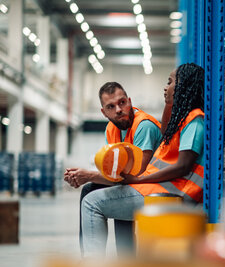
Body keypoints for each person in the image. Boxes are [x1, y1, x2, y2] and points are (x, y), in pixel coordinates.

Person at [80, 63, 205, 257]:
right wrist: (170, 103)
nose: (165, 87)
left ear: (183, 87)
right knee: (95, 192)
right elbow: (166, 132)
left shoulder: (194, 121)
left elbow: (182, 166)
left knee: (91, 203)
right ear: (103, 112)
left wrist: (137, 180)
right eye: (111, 107)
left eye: (170, 82)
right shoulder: (182, 120)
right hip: (162, 187)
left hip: (176, 192)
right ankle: (123, 261)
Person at [64, 82, 162, 255]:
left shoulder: (144, 126)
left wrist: (89, 175)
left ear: (130, 101)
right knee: (89, 189)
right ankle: (94, 256)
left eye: (122, 102)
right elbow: (117, 173)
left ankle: (99, 263)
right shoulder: (111, 129)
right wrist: (86, 177)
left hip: (154, 188)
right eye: (111, 106)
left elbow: (136, 175)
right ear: (104, 112)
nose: (118, 109)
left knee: (98, 197)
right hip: (136, 186)